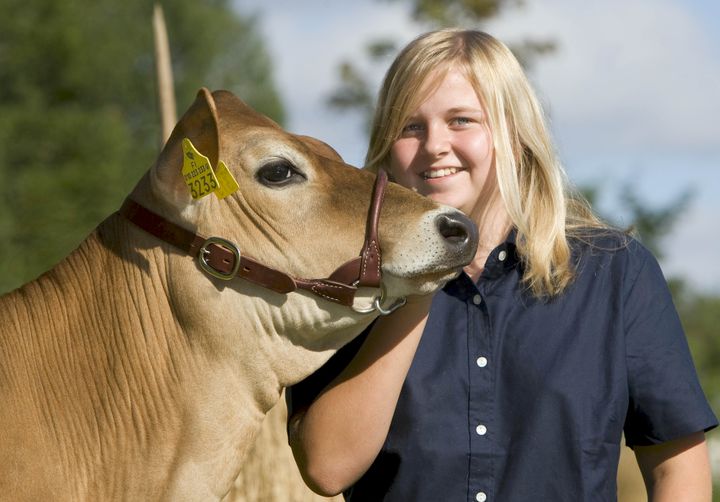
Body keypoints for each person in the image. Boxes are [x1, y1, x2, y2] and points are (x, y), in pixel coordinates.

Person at [286, 29, 717, 501]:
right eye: (411, 126)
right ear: (388, 148)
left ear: (511, 134)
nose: (434, 145)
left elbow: (678, 468)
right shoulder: (347, 286)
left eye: (461, 120)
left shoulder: (615, 274)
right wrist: (417, 279)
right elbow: (327, 468)